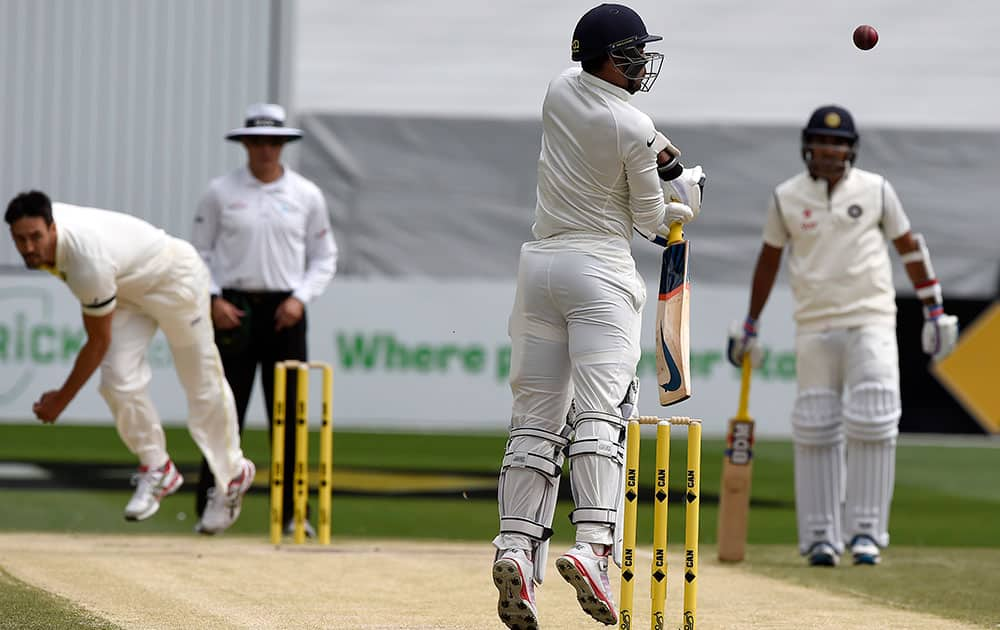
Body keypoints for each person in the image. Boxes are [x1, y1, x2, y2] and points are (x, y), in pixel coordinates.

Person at [490, 5, 706, 628]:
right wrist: (683, 201)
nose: (641, 65)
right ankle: (594, 549)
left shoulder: (559, 88)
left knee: (536, 419)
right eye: (632, 54)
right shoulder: (632, 127)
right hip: (600, 274)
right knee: (604, 415)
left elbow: (642, 138)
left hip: (539, 271)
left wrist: (666, 158)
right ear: (608, 58)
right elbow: (649, 222)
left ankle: (515, 554)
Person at [726, 104, 959, 568]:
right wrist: (751, 322)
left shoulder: (876, 190)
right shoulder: (786, 197)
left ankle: (868, 535)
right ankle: (820, 538)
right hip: (814, 322)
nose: (829, 151)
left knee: (874, 419)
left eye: (838, 143)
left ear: (850, 149)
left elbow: (908, 246)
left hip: (870, 316)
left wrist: (934, 308)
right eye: (821, 142)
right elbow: (769, 260)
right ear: (806, 146)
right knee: (814, 426)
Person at [5, 191, 255, 534]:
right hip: (125, 291)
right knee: (117, 380)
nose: (30, 247)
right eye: (21, 239)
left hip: (174, 280)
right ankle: (158, 468)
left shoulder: (85, 262)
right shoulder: (45, 223)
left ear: (52, 227)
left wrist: (60, 399)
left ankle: (233, 472)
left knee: (200, 380)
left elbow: (98, 341)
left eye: (36, 237)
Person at [190, 103, 337, 537]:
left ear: (283, 145)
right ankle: (214, 503)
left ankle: (295, 513)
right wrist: (214, 297)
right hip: (233, 308)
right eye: (257, 142)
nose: (265, 150)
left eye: (273, 142)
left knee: (290, 416)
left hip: (285, 311)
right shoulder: (221, 192)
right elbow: (199, 252)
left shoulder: (306, 194)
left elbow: (325, 256)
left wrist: (301, 298)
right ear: (246, 144)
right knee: (224, 410)